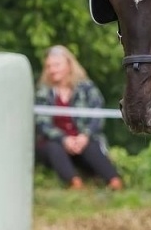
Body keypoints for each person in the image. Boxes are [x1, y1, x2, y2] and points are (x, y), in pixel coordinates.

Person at [34, 45, 123, 190]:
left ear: (69, 65)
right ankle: (75, 184)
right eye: (49, 66)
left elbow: (97, 116)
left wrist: (84, 136)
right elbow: (42, 123)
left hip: (82, 139)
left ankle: (114, 182)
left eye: (56, 65)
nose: (52, 69)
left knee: (91, 146)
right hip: (57, 142)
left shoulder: (87, 88)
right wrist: (64, 139)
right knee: (53, 147)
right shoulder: (43, 92)